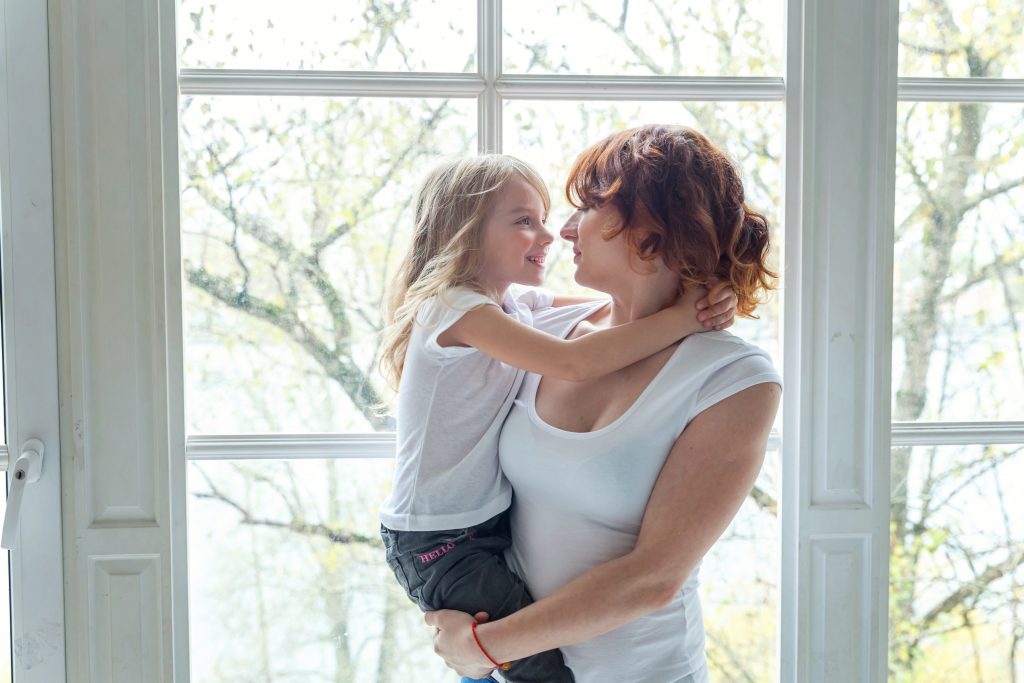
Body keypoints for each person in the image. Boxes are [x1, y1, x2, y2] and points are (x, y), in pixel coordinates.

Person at [425, 124, 783, 683]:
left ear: (652, 228)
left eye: (588, 208)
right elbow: (442, 296)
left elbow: (653, 577)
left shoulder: (733, 379)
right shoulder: (542, 324)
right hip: (509, 668)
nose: (564, 230)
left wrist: (486, 646)